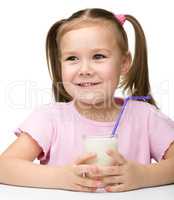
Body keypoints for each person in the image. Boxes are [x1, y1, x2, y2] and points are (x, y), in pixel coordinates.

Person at [0, 8, 174, 193]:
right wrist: (61, 177)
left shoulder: (144, 116)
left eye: (98, 56)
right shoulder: (49, 118)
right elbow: (4, 167)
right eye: (72, 58)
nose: (85, 70)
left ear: (124, 63)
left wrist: (144, 175)